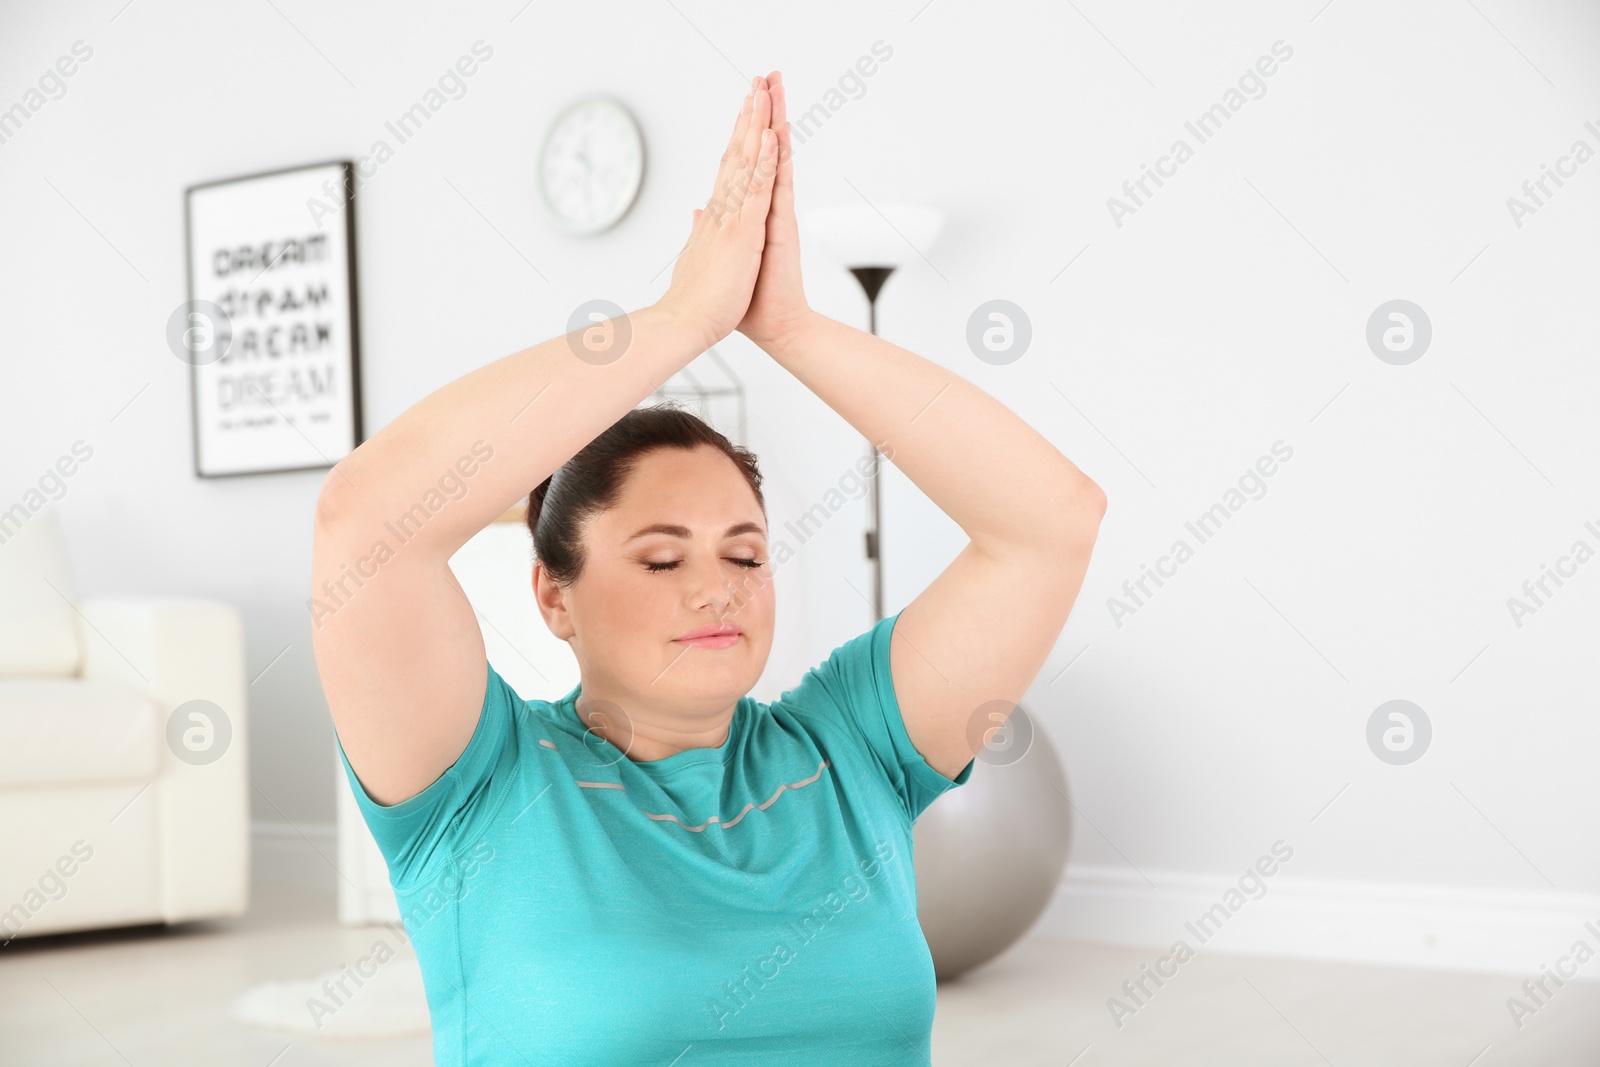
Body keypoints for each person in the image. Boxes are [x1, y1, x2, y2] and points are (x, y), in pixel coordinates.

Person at [310, 70, 1105, 1066]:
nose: (715, 583)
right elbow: (366, 518)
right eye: (658, 556)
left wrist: (793, 329)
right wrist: (684, 316)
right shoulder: (481, 784)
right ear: (552, 592)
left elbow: (1050, 522)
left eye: (744, 550)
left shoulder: (850, 749)